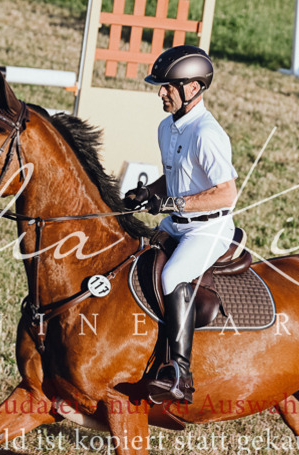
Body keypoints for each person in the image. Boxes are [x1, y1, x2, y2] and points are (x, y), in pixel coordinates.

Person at [123, 45, 238, 405]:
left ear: (193, 88)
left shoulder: (207, 133)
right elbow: (174, 178)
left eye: (168, 87)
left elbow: (227, 194)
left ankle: (179, 375)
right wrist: (148, 192)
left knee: (172, 276)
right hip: (176, 224)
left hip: (208, 230)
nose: (161, 93)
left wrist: (172, 203)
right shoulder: (167, 127)